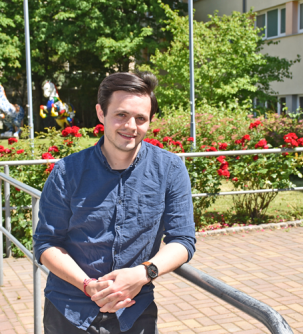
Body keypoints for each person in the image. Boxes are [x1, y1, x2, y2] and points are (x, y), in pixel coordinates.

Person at [33, 72, 196, 334]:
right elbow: (46, 243)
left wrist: (144, 274)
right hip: (69, 309)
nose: (131, 126)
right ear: (101, 113)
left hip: (134, 311)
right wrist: (87, 285)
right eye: (121, 114)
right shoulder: (67, 171)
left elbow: (183, 240)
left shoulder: (170, 169)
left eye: (141, 118)